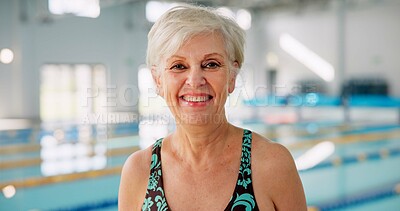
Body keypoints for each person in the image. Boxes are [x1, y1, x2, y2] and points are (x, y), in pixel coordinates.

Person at [119, 4, 307, 211]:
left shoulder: (272, 164)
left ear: (232, 78)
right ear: (158, 81)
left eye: (211, 64)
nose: (195, 80)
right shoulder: (138, 171)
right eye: (178, 66)